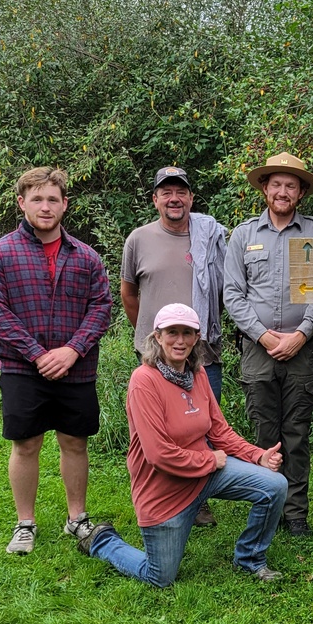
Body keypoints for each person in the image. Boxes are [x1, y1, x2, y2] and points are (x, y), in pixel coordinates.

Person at [78, 304, 287, 586]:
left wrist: (258, 456)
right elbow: (158, 454)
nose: (180, 340)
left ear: (196, 338)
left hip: (206, 476)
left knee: (274, 485)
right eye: (172, 332)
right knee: (159, 577)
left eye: (187, 333)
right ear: (158, 337)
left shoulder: (197, 374)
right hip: (164, 489)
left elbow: (218, 430)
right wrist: (210, 461)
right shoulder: (144, 381)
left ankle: (250, 558)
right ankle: (102, 541)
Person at [0, 166, 112, 554]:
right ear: (22, 203)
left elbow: (101, 307)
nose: (46, 206)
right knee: (26, 443)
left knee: (74, 441)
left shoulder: (86, 257)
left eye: (53, 199)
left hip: (77, 365)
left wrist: (72, 350)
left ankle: (77, 519)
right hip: (21, 367)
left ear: (65, 204)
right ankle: (25, 523)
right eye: (37, 199)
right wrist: (37, 354)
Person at [223, 152, 313, 537]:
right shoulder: (243, 235)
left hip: (302, 348)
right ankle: (269, 503)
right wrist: (264, 335)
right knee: (266, 433)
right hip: (258, 349)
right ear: (265, 189)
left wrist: (300, 334)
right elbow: (233, 294)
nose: (282, 191)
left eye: (291, 185)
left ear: (300, 192)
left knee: (297, 433)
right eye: (276, 184)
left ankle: (296, 512)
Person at [120, 165, 227, 527]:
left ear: (191, 198)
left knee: (201, 427)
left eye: (180, 191)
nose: (174, 198)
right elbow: (129, 293)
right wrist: (152, 339)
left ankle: (198, 500)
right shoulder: (138, 239)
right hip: (155, 355)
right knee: (154, 430)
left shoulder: (209, 237)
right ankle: (158, 498)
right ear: (155, 199)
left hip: (203, 352)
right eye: (165, 192)